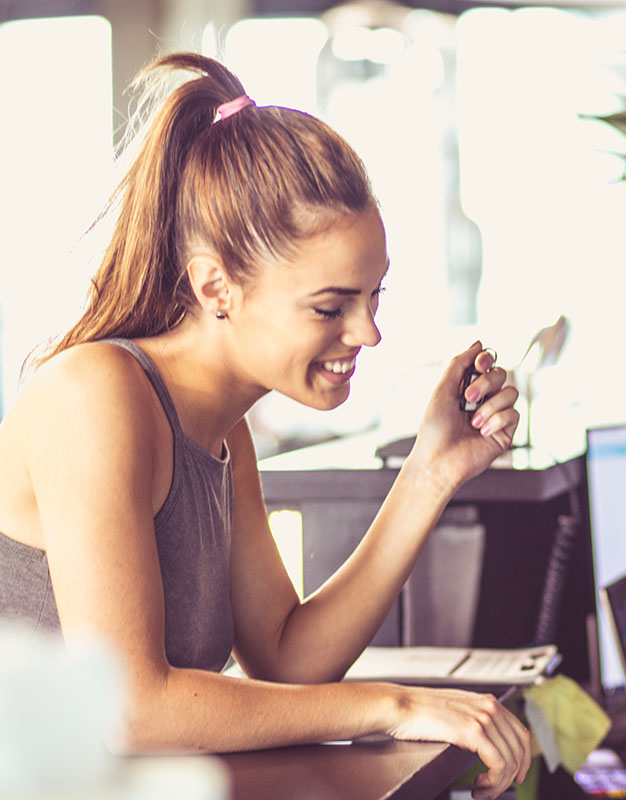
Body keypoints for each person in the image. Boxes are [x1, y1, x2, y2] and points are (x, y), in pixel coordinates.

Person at [0, 53, 530, 799]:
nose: (368, 333)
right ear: (217, 284)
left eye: (374, 298)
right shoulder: (97, 396)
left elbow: (286, 657)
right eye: (331, 306)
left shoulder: (221, 428)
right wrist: (396, 705)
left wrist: (433, 470)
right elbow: (127, 705)